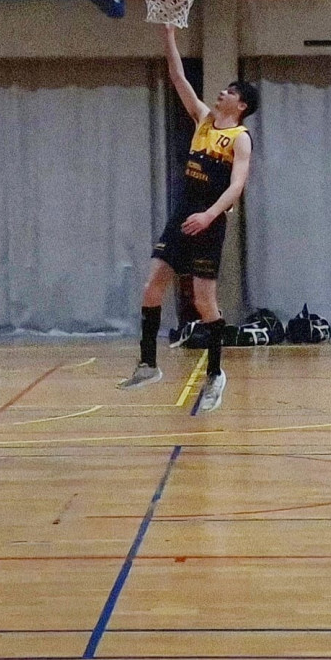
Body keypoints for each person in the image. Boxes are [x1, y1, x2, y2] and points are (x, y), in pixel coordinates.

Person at [118, 24, 258, 413]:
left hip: (209, 220)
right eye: (224, 89)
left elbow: (236, 186)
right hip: (183, 213)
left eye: (231, 91)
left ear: (241, 105)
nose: (223, 92)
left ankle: (215, 373)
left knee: (203, 300)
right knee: (152, 285)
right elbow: (178, 77)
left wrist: (209, 216)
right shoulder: (203, 119)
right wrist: (168, 37)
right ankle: (148, 364)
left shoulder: (240, 138)